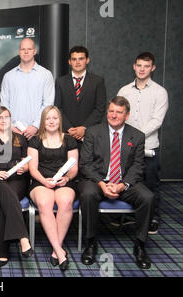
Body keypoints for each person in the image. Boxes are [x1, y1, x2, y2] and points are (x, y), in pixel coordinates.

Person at [78, 96, 154, 270]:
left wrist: (122, 185)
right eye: (111, 111)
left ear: (126, 115)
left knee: (148, 197)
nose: (114, 115)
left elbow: (137, 166)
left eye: (119, 112)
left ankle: (140, 245)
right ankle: (90, 243)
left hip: (125, 182)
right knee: (88, 194)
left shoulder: (137, 136)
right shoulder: (93, 132)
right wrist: (101, 184)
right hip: (96, 180)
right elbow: (85, 164)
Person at [117, 52, 168, 234]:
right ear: (134, 66)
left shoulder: (160, 92)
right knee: (129, 181)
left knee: (151, 183)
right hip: (126, 147)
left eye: (146, 66)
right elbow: (118, 115)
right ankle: (129, 216)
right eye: (139, 65)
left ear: (152, 68)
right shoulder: (124, 91)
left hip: (148, 146)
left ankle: (153, 218)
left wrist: (135, 136)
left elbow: (157, 121)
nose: (142, 69)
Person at [28, 106, 78, 272]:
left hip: (64, 181)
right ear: (43, 121)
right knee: (44, 203)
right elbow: (33, 169)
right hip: (41, 180)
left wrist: (67, 178)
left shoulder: (69, 140)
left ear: (60, 120)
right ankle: (59, 251)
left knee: (65, 201)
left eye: (55, 118)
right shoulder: (35, 140)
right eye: (48, 118)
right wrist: (45, 181)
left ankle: (57, 251)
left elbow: (74, 168)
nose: (51, 121)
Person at [0, 106, 32, 267]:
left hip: (17, 179)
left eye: (6, 117)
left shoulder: (20, 139)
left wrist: (25, 168)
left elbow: (28, 163)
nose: (3, 120)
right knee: (4, 189)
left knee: (6, 198)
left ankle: (2, 251)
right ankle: (23, 237)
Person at [0, 37, 54, 140]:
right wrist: (10, 125)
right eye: (23, 49)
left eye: (29, 49)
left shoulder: (46, 75)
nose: (26, 52)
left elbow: (48, 104)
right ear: (19, 52)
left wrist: (35, 126)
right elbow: (4, 104)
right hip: (14, 132)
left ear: (34, 51)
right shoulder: (8, 76)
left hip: (38, 133)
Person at [55, 46, 106, 145]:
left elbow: (100, 108)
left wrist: (84, 128)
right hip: (67, 134)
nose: (77, 62)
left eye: (81, 59)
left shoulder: (98, 81)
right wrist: (69, 128)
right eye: (74, 59)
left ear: (87, 60)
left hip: (90, 135)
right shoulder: (60, 82)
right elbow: (58, 107)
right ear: (69, 62)